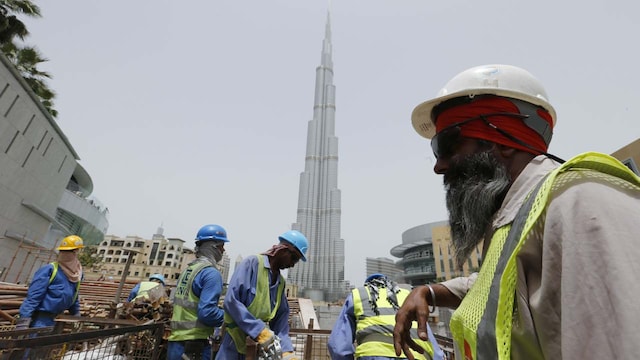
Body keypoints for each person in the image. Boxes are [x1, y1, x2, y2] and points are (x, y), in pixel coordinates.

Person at [392, 64, 640, 359]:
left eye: (446, 146)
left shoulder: (580, 202)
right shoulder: (517, 217)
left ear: (501, 140)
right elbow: (495, 286)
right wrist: (431, 292)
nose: (439, 166)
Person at [215, 230, 309, 360]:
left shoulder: (280, 282)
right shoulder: (252, 264)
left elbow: (281, 320)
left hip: (257, 347)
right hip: (233, 343)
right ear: (283, 250)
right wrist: (258, 330)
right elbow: (232, 301)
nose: (292, 264)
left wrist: (287, 351)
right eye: (294, 258)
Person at [328, 273, 444, 360]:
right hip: (417, 355)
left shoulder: (358, 294)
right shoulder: (409, 295)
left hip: (372, 355)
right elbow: (434, 348)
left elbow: (338, 347)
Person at [167, 224, 230, 360]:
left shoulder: (188, 271)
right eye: (221, 246)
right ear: (213, 247)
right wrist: (229, 316)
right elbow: (207, 313)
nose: (223, 250)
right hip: (194, 346)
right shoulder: (211, 273)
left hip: (175, 343)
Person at [15, 235, 84, 330]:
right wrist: (24, 319)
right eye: (63, 251)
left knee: (50, 344)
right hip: (41, 319)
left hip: (59, 319)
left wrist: (76, 313)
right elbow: (33, 297)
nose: (64, 254)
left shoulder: (77, 274)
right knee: (35, 344)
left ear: (76, 253)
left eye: (69, 251)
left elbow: (74, 295)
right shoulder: (50, 270)